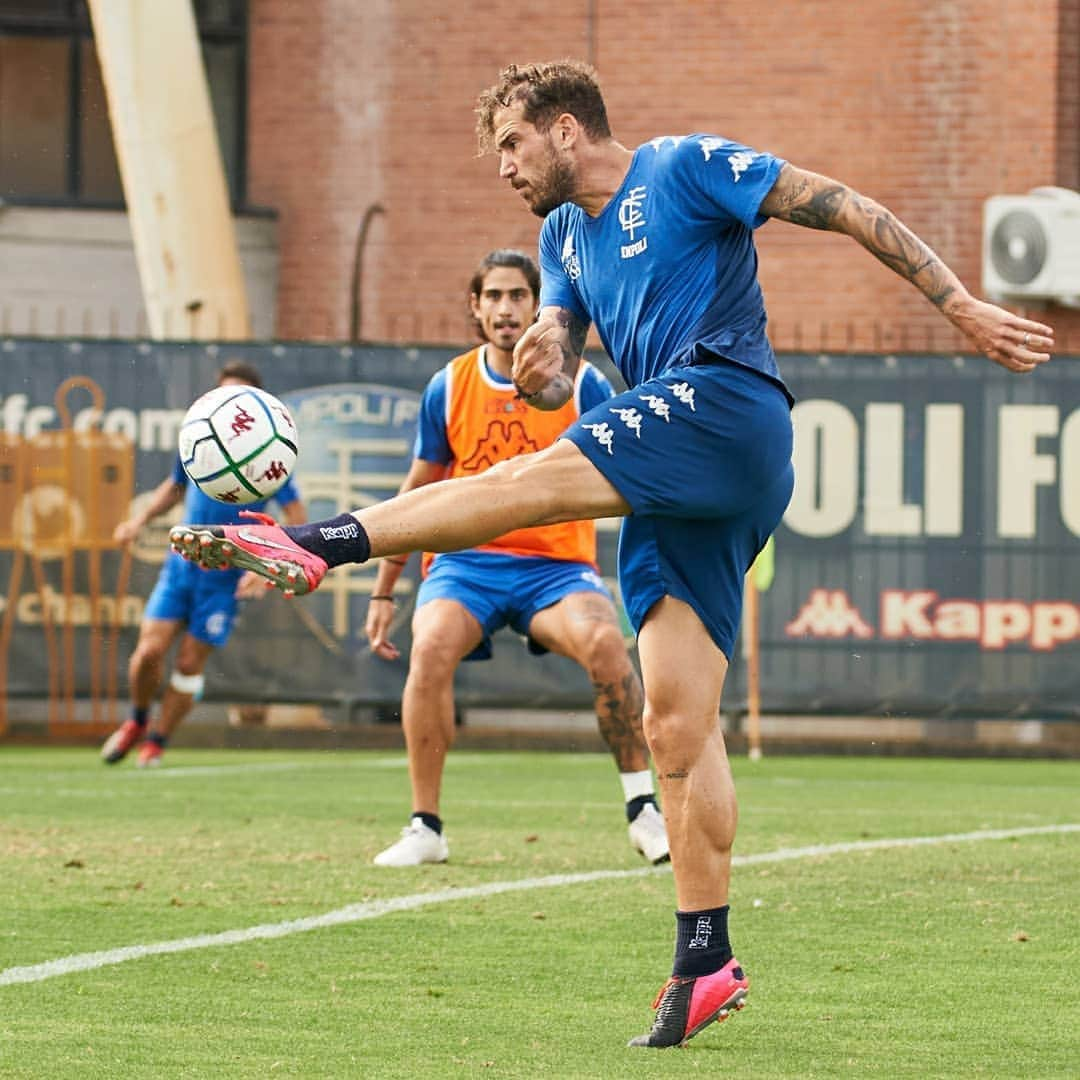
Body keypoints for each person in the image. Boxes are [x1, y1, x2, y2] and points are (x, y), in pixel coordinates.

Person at [169, 61, 1054, 1046]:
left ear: (564, 129)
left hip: (722, 408)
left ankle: (306, 542)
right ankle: (705, 961)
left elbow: (836, 203)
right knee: (674, 722)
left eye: (510, 143)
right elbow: (557, 353)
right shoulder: (561, 238)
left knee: (518, 488)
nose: (502, 166)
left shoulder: (683, 167)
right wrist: (546, 355)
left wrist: (957, 302)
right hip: (680, 469)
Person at [365, 248, 668, 867]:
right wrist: (384, 586)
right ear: (475, 308)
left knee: (608, 645)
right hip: (465, 566)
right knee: (429, 646)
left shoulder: (583, 383)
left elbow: (635, 473)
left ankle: (644, 809)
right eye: (493, 296)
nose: (506, 309)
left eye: (517, 296)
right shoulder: (449, 385)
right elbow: (418, 490)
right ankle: (426, 826)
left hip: (556, 569)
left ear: (538, 307)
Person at [101, 360, 306, 768]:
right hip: (182, 566)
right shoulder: (200, 441)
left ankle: (158, 741)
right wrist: (139, 519)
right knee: (147, 654)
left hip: (225, 576)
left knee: (189, 663)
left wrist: (262, 566)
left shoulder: (268, 455)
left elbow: (296, 518)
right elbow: (175, 487)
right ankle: (138, 721)